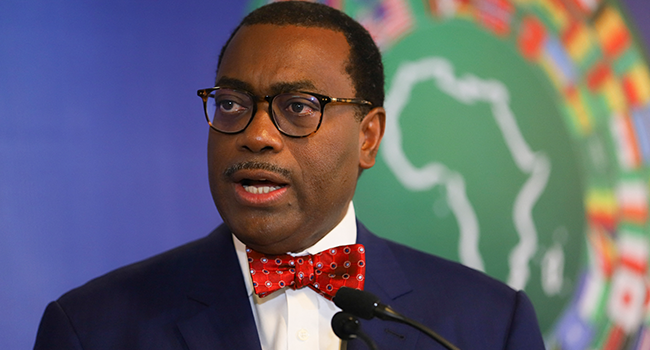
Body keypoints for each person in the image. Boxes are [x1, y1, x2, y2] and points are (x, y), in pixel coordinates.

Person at [34, 2, 545, 349]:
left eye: (299, 107)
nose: (256, 134)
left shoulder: (489, 325)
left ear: (368, 136)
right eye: (232, 104)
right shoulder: (92, 328)